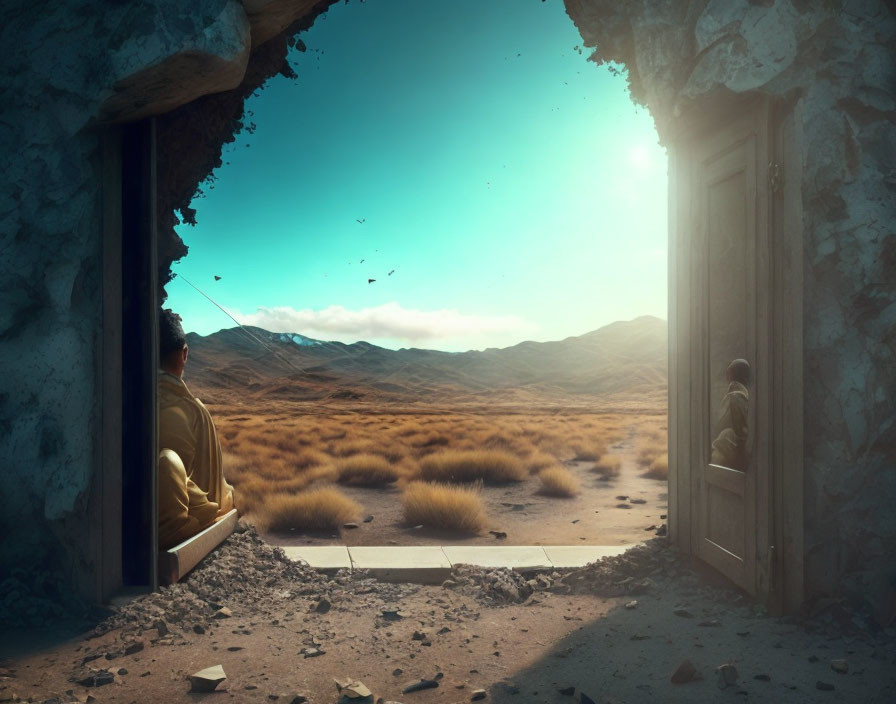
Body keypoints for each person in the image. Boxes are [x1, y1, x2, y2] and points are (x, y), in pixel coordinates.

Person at [158, 309, 235, 549]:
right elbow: (169, 476)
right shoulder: (176, 406)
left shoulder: (163, 403)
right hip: (185, 526)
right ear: (184, 354)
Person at [710, 358, 751, 470]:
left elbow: (720, 426)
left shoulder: (734, 397)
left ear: (730, 373)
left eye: (728, 372)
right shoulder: (746, 396)